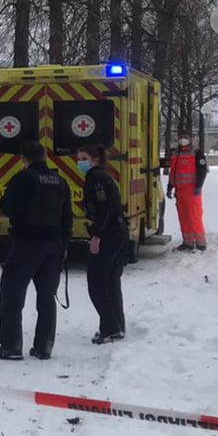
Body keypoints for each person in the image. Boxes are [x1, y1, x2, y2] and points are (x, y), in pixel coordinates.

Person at [0, 141, 72, 361]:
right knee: (46, 298)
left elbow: (7, 206)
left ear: (24, 159)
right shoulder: (60, 181)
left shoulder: (23, 178)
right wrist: (63, 244)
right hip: (53, 244)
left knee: (11, 295)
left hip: (27, 243)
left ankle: (11, 345)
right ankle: (44, 346)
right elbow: (67, 217)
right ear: (44, 157)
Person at [77, 145, 128, 344]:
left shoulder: (96, 179)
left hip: (110, 235)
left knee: (96, 282)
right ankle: (116, 325)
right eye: (78, 158)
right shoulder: (102, 177)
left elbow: (105, 210)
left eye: (83, 157)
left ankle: (110, 327)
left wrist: (97, 236)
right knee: (111, 282)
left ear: (95, 159)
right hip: (118, 233)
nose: (79, 162)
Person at [167, 133, 208, 251]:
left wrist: (198, 186)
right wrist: (170, 186)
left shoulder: (196, 153)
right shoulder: (175, 154)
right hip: (180, 191)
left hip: (192, 190)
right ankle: (188, 242)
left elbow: (202, 170)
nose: (182, 140)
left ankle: (200, 243)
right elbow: (173, 172)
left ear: (190, 139)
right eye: (180, 138)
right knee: (183, 217)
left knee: (194, 216)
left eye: (185, 137)